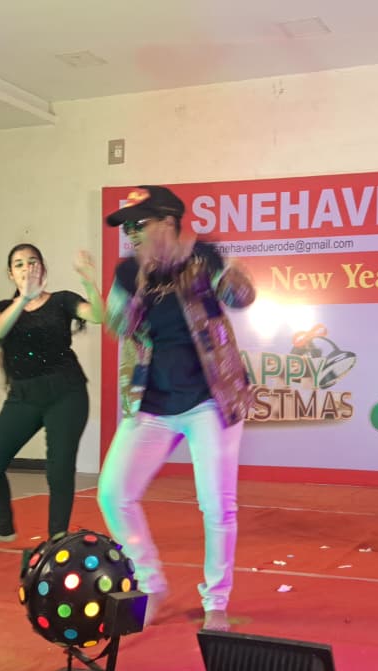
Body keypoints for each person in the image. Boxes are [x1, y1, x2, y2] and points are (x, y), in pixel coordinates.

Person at [96, 185, 255, 632]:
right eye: (126, 228)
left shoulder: (202, 256)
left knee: (217, 505)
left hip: (210, 399)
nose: (131, 234)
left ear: (168, 222)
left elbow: (241, 298)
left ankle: (216, 601)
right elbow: (118, 326)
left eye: (139, 224)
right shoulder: (128, 270)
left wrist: (216, 271)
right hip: (152, 401)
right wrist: (138, 286)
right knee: (113, 492)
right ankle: (150, 582)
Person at [0, 244, 103, 548]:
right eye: (19, 264)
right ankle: (4, 528)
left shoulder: (62, 300)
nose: (26, 268)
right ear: (10, 273)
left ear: (42, 268)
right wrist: (24, 299)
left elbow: (97, 315)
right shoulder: (3, 307)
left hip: (66, 393)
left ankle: (57, 538)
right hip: (24, 396)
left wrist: (88, 280)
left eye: (32, 262)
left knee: (59, 468)